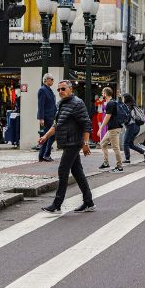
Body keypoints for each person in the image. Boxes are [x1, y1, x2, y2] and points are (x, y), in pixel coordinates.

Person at [39, 80, 94, 213]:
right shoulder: (61, 104)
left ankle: (57, 205)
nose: (60, 92)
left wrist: (86, 143)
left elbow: (86, 124)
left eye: (63, 89)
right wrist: (45, 136)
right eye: (58, 90)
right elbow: (56, 124)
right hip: (67, 142)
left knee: (63, 170)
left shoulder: (77, 103)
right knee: (77, 172)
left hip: (74, 142)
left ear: (70, 90)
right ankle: (89, 202)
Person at [97, 87, 124, 173]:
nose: (102, 94)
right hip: (112, 128)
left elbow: (107, 117)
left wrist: (100, 129)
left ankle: (119, 167)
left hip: (114, 128)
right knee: (103, 144)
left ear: (105, 94)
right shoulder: (113, 102)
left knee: (115, 147)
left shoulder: (110, 104)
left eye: (102, 93)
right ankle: (106, 163)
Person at [121, 93, 145, 164]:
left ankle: (127, 159)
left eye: (123, 98)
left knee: (125, 143)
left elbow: (127, 117)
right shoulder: (133, 105)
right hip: (137, 127)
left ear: (126, 98)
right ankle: (144, 152)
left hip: (131, 126)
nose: (122, 99)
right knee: (130, 144)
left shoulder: (128, 106)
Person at [37, 73, 56, 162]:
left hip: (51, 116)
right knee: (50, 135)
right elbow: (41, 105)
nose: (53, 81)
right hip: (47, 117)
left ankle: (43, 155)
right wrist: (41, 118)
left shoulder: (48, 90)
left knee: (48, 135)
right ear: (46, 80)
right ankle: (45, 154)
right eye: (52, 79)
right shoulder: (43, 90)